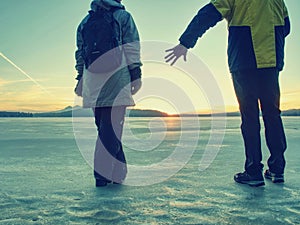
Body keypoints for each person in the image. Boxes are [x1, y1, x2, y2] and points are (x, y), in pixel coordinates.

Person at [165, 0, 290, 187]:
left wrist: (185, 42)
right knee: (272, 114)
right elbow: (286, 27)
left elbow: (207, 15)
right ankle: (277, 168)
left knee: (250, 116)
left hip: (243, 59)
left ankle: (253, 170)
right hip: (271, 60)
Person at [74, 0, 142, 187]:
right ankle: (103, 175)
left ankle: (118, 173)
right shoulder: (123, 17)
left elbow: (80, 53)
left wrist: (80, 77)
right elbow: (132, 46)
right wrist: (136, 73)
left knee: (105, 127)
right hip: (116, 78)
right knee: (111, 129)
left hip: (93, 80)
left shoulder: (85, 22)